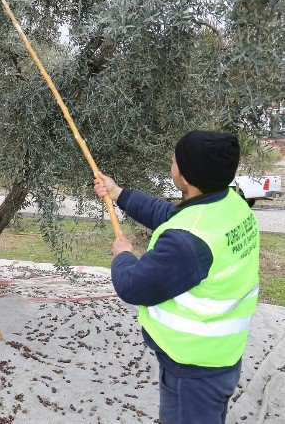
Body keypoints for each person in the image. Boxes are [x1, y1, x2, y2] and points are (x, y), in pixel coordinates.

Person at [93, 130, 259, 424]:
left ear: (186, 177)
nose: (171, 164)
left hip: (194, 371)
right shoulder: (230, 206)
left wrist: (123, 254)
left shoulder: (188, 243)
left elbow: (133, 285)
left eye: (174, 161)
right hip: (219, 359)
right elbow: (170, 214)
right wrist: (118, 194)